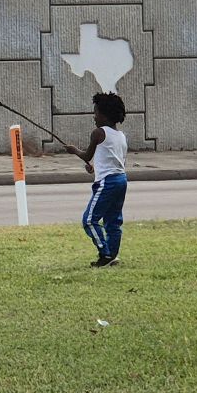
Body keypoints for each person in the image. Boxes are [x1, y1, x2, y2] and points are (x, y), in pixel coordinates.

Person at [72, 91, 128, 267]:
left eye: (96, 112)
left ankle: (104, 254)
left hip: (107, 182)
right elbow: (113, 159)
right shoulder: (121, 136)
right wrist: (94, 168)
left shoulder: (98, 133)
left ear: (104, 115)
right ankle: (113, 254)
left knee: (89, 220)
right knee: (113, 220)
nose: (94, 116)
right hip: (121, 179)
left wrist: (74, 150)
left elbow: (87, 154)